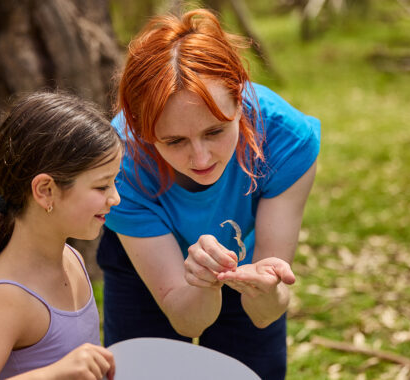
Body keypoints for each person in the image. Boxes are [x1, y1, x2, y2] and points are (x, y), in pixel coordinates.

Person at [96, 9, 320, 380]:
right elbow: (186, 320)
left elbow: (266, 312)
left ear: (240, 100)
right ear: (142, 129)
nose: (200, 158)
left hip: (245, 259)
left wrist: (264, 288)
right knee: (143, 370)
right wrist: (202, 284)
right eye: (174, 141)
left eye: (215, 131)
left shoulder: (286, 138)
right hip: (142, 264)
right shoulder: (119, 163)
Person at [0, 92, 121, 380]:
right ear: (45, 191)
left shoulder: (71, 258)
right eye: (102, 186)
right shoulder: (8, 298)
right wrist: (53, 374)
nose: (114, 197)